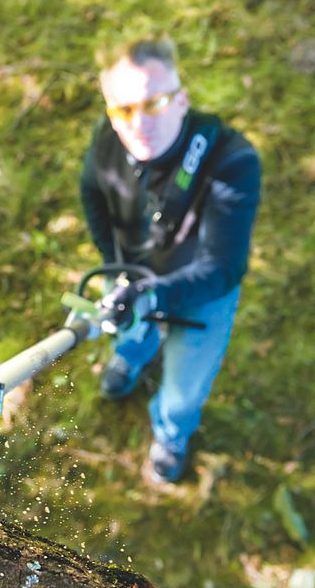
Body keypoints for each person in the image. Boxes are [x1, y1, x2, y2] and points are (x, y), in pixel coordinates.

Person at [80, 37, 261, 483]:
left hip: (202, 296)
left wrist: (150, 290)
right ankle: (131, 358)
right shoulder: (109, 139)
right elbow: (92, 196)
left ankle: (171, 433)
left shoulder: (231, 160)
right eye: (123, 109)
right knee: (127, 332)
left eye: (154, 103)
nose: (139, 122)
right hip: (129, 279)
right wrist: (115, 265)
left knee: (184, 388)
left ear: (181, 100)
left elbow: (223, 267)